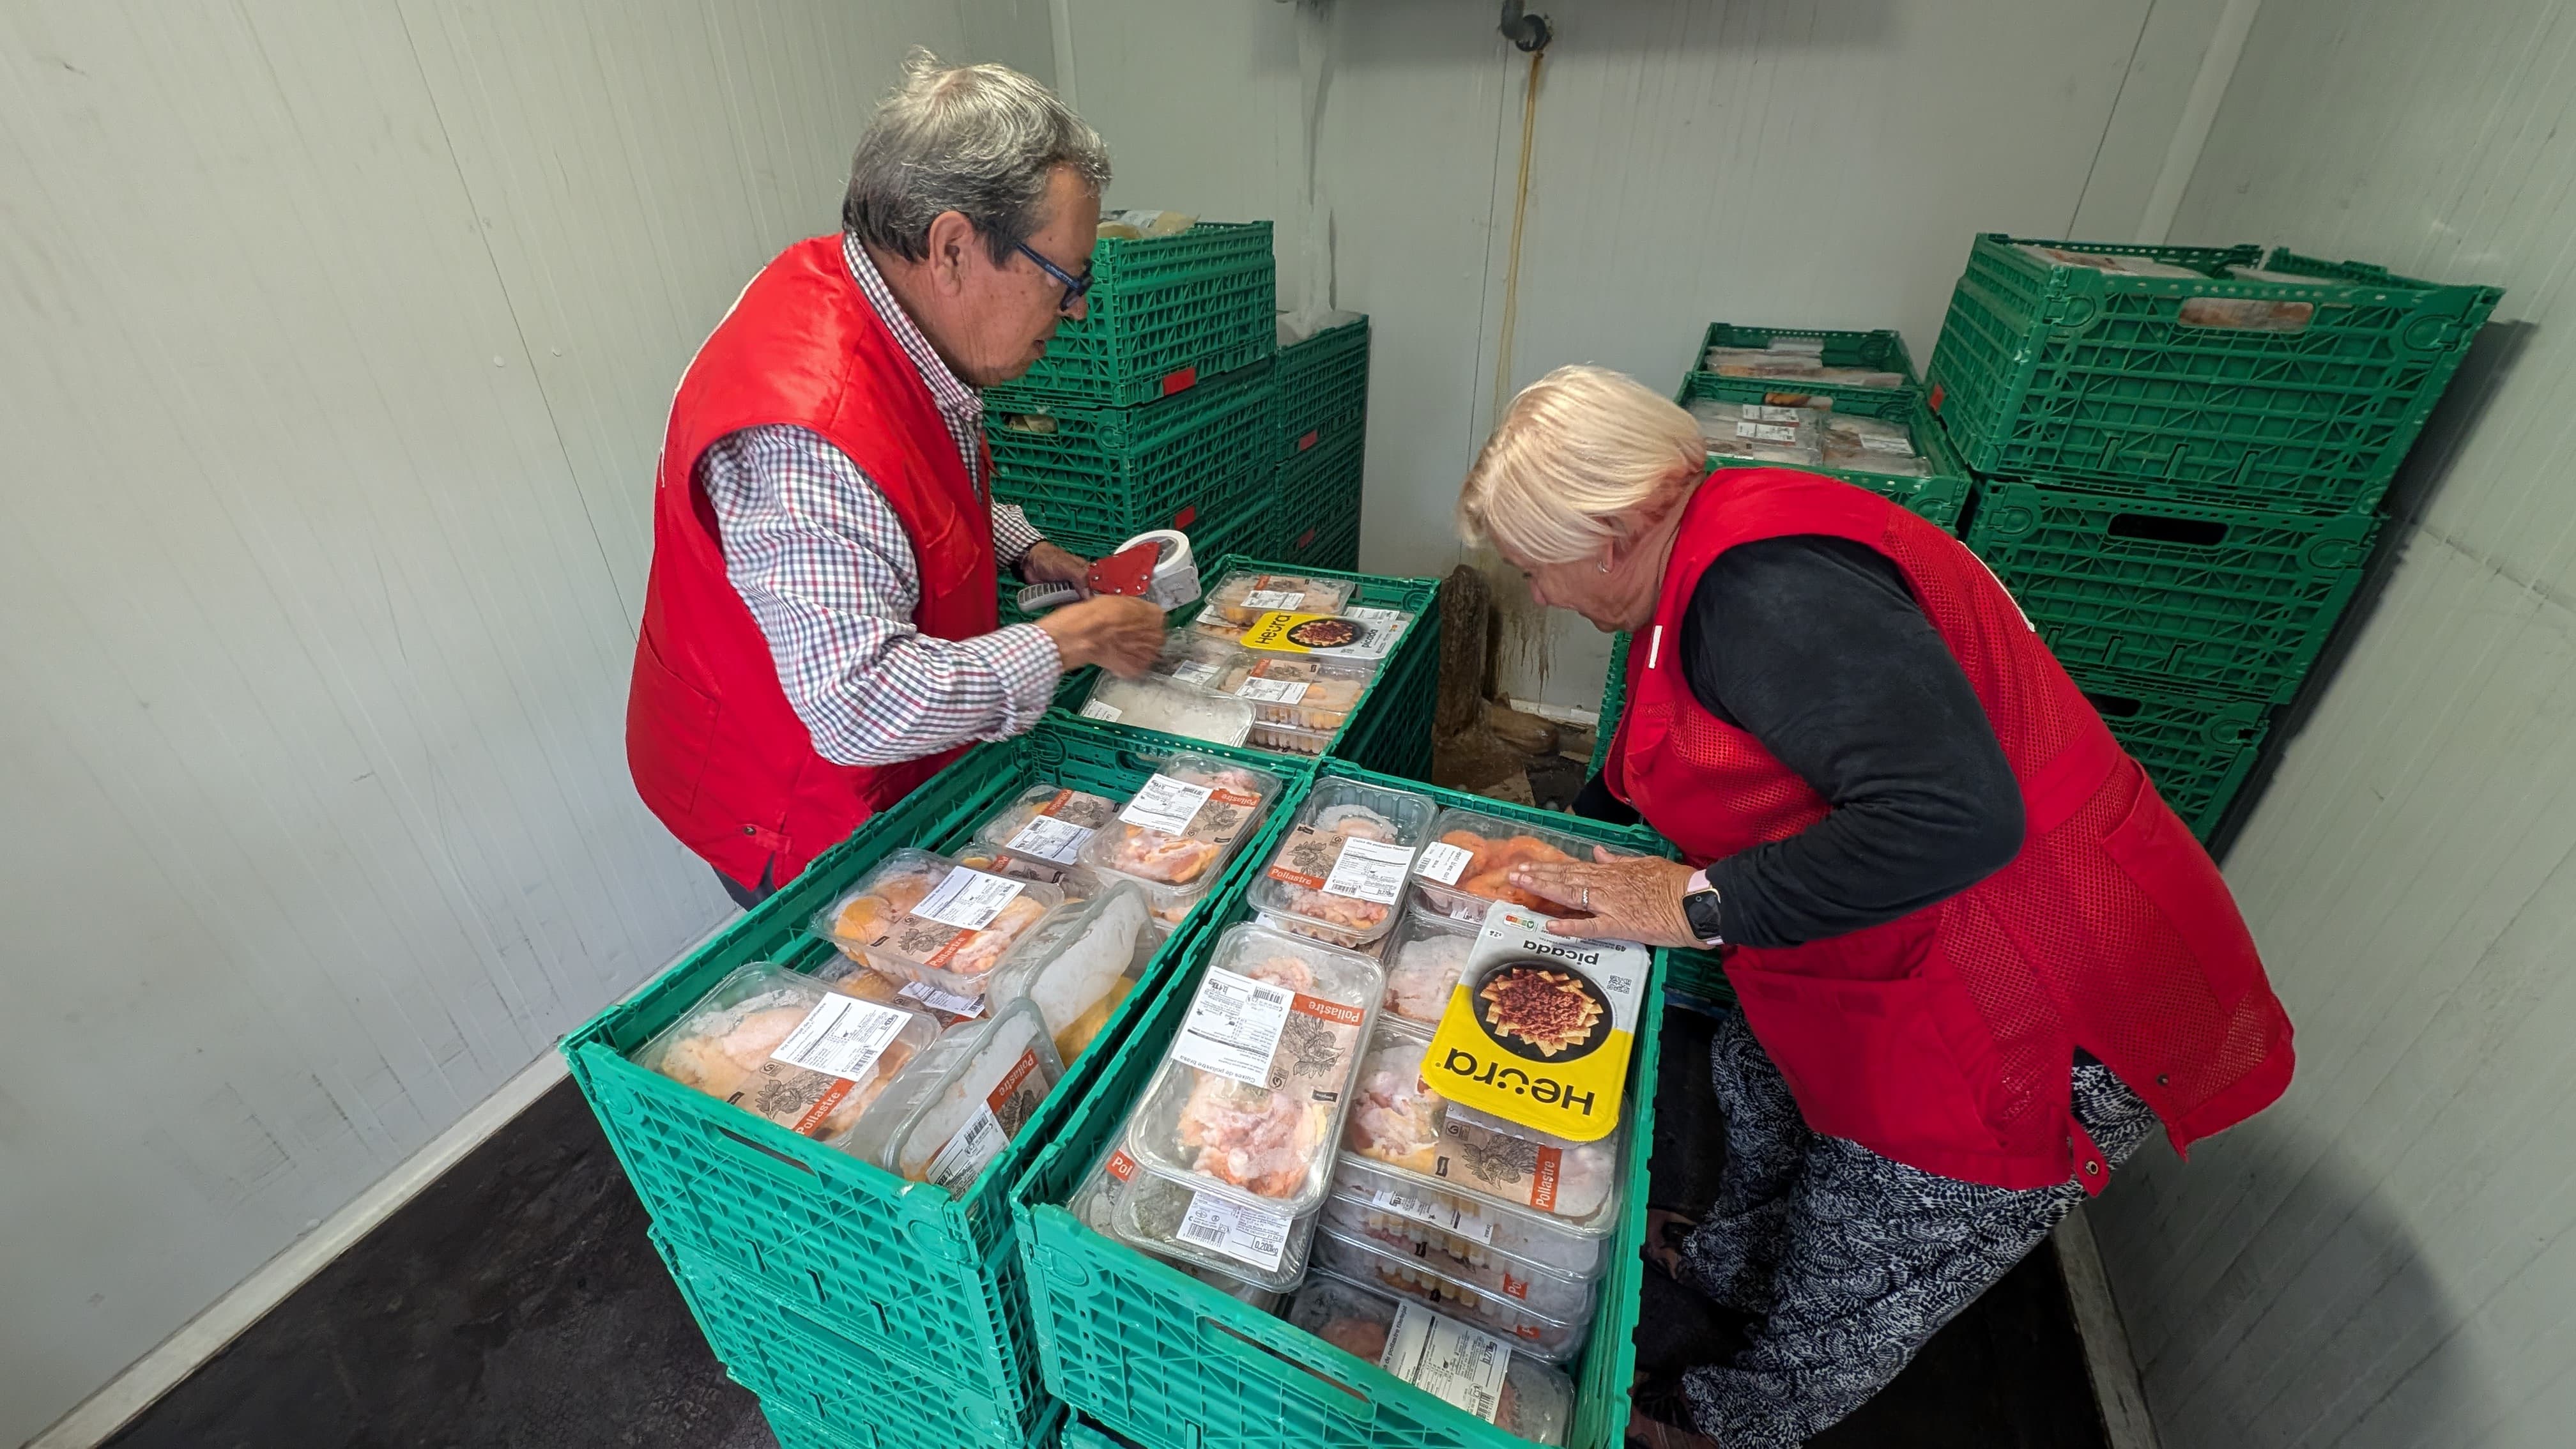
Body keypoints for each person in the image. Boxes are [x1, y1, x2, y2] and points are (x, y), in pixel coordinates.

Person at [1453, 365, 2296, 1448]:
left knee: (1869, 1256)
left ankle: (1725, 1420)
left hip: (2028, 982)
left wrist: (1690, 905)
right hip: (1876, 947)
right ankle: (1722, 1278)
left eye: (1539, 569)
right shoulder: (1693, 545)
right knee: (1761, 1095)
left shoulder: (1768, 590)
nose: (1542, 599)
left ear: (1614, 529)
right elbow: (1686, 730)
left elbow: (1952, 818)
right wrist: (1581, 845)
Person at [627, 52, 1164, 908]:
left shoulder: (876, 300)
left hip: (853, 746)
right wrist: (1073, 639)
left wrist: (1025, 549)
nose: (1078, 312)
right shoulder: (805, 434)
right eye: (1066, 281)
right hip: (784, 799)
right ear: (953, 248)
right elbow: (859, 703)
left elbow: (912, 477)